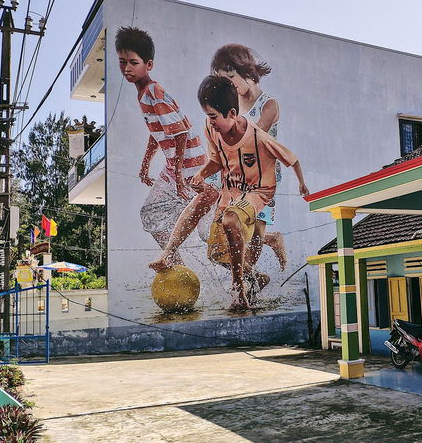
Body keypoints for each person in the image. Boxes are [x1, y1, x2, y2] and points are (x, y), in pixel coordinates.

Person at [191, 74, 308, 311]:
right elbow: (217, 160)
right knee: (215, 253)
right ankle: (257, 277)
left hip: (258, 191)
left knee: (231, 219)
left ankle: (239, 289)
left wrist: (301, 184)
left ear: (232, 114)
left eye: (213, 116)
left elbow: (292, 159)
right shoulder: (211, 128)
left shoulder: (257, 137)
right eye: (207, 115)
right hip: (232, 191)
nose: (210, 121)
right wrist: (201, 174)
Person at [115, 27, 220, 270]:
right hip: (176, 165)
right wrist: (145, 164)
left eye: (133, 62)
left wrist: (181, 178)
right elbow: (159, 134)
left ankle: (247, 266)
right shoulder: (144, 94)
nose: (127, 68)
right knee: (151, 214)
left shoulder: (154, 91)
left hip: (189, 166)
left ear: (148, 64)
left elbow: (181, 133)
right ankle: (175, 265)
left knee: (207, 233)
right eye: (122, 62)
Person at [211, 45, 288, 274]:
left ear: (247, 71)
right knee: (232, 234)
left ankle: (250, 276)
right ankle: (267, 249)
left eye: (232, 79)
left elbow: (255, 137)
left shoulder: (269, 105)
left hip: (263, 180)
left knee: (253, 237)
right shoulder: (233, 108)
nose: (231, 87)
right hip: (236, 178)